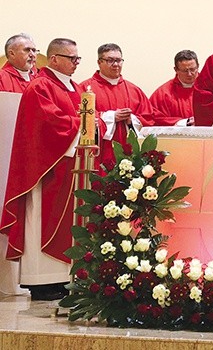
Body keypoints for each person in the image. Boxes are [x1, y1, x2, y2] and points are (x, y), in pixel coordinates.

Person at [0, 38, 82, 300]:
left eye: (78, 59)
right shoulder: (40, 86)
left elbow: (85, 119)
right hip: (44, 169)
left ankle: (61, 279)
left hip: (70, 166)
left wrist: (98, 123)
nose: (76, 64)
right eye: (72, 58)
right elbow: (50, 123)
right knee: (40, 221)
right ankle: (39, 282)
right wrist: (84, 123)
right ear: (55, 59)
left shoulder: (75, 88)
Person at [81, 43, 154, 168]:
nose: (116, 64)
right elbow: (81, 118)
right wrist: (111, 116)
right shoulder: (85, 88)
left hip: (129, 154)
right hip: (100, 153)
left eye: (119, 60)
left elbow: (149, 119)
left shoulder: (134, 90)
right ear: (99, 62)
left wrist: (132, 120)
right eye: (110, 60)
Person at [150, 50, 198, 126]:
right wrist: (184, 122)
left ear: (198, 66)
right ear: (176, 70)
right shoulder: (163, 93)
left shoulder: (210, 87)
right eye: (185, 71)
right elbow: (154, 117)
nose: (189, 74)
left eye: (192, 69)